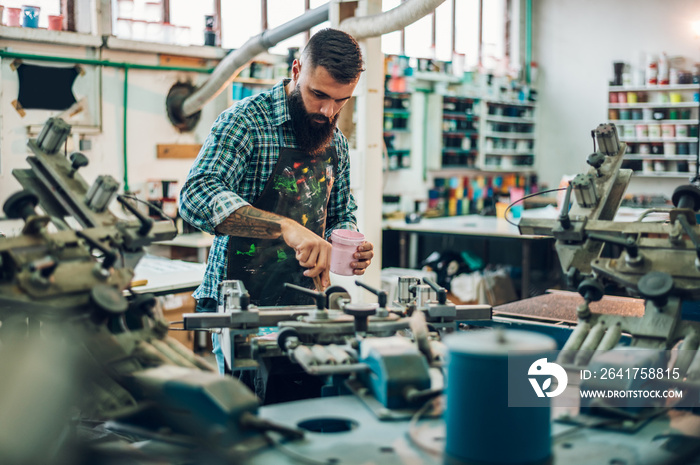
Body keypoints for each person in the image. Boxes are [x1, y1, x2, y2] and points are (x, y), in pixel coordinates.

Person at [178, 28, 374, 398]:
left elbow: (341, 214)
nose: (328, 111)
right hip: (243, 305)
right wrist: (285, 226)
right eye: (318, 95)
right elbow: (195, 195)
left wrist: (348, 243)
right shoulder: (246, 122)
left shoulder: (339, 145)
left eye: (341, 101)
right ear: (297, 69)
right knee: (249, 429)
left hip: (308, 305)